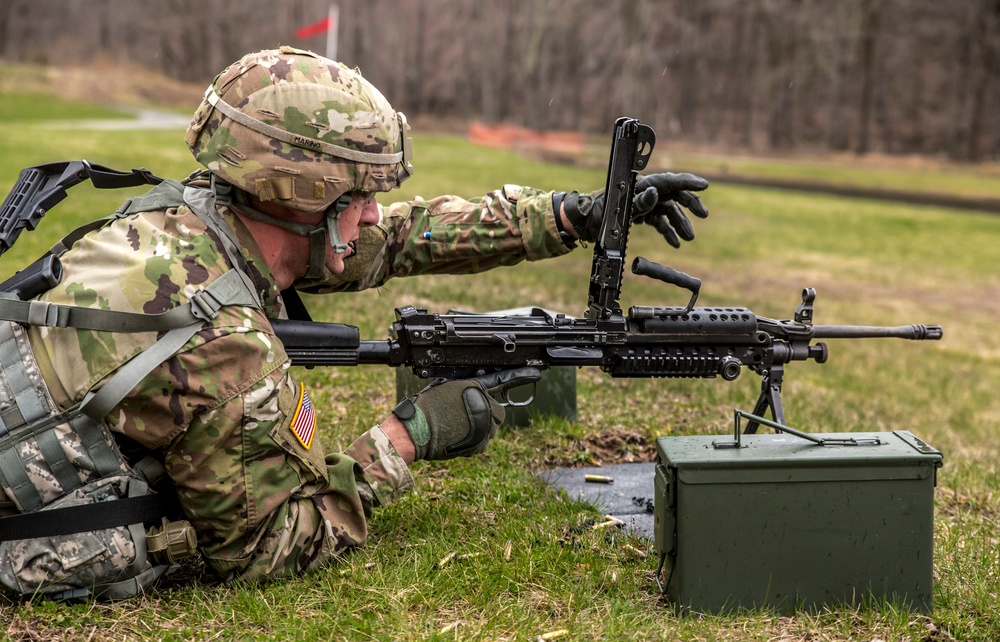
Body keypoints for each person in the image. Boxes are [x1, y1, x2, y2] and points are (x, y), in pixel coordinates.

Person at [0, 46, 708, 597]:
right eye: (361, 193)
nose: (373, 211)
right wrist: (406, 437)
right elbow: (266, 549)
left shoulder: (183, 225)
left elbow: (401, 237)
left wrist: (566, 215)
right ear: (307, 194)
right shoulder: (226, 344)